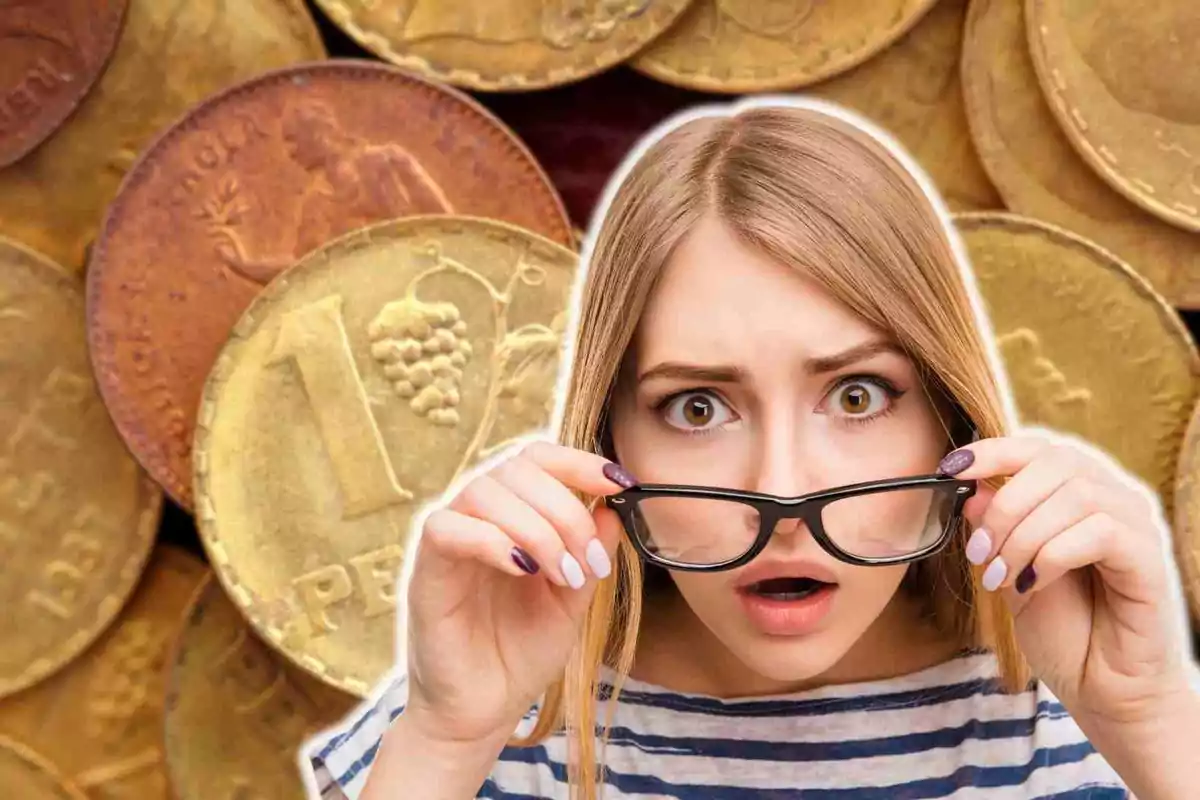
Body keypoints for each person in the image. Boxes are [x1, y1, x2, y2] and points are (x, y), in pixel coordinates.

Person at [301, 98, 1200, 799]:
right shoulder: (484, 718)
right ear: (610, 438)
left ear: (949, 419)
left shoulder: (1088, 720)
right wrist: (447, 740)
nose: (782, 496)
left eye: (857, 396)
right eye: (697, 408)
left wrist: (1155, 718)